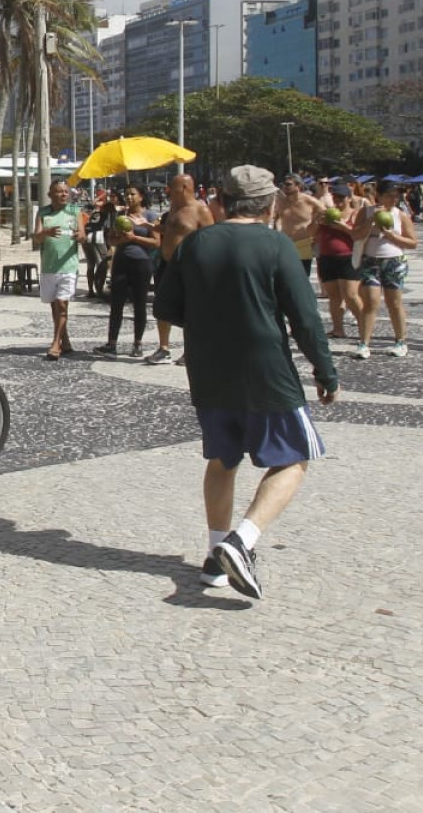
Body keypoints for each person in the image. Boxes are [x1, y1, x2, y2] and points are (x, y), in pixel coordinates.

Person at [153, 165, 338, 600]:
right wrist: (325, 370)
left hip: (208, 367)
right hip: (266, 369)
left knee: (223, 458)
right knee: (294, 459)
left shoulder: (195, 244)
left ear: (222, 198)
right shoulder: (276, 245)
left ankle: (216, 556)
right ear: (269, 202)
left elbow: (167, 305)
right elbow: (305, 318)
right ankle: (242, 541)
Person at [146, 173, 214, 365]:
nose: (168, 191)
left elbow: (210, 238)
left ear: (184, 188)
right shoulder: (173, 208)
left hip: (189, 265)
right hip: (166, 264)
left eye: (172, 187)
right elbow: (171, 230)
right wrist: (150, 227)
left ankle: (190, 349)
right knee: (161, 306)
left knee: (190, 308)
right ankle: (163, 347)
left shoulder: (200, 210)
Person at [351, 179, 418, 358]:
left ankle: (401, 341)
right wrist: (371, 221)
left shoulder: (400, 215)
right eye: (389, 196)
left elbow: (412, 243)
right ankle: (363, 343)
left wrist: (391, 235)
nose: (393, 200)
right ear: (378, 196)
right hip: (371, 261)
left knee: (394, 302)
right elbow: (355, 234)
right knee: (371, 301)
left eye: (395, 196)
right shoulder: (365, 212)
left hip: (394, 260)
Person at [95, 185, 158, 357]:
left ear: (141, 197)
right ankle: (112, 343)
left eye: (133, 194)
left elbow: (156, 242)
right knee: (116, 303)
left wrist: (134, 237)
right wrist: (116, 236)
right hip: (122, 261)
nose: (129, 197)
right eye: (127, 194)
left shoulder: (150, 216)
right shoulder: (121, 216)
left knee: (139, 304)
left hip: (141, 262)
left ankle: (137, 344)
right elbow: (112, 241)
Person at [31, 181, 86, 360]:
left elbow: (83, 236)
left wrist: (79, 236)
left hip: (69, 266)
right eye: (59, 192)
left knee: (62, 304)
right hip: (49, 266)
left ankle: (56, 343)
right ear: (50, 194)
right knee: (55, 306)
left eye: (65, 192)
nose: (63, 195)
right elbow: (36, 238)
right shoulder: (43, 212)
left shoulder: (75, 211)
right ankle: (66, 339)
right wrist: (46, 233)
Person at [313, 180, 365, 344]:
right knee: (333, 296)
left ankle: (364, 326)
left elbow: (359, 235)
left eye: (342, 198)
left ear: (349, 198)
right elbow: (311, 233)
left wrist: (342, 227)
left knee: (350, 295)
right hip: (327, 257)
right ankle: (338, 329)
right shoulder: (327, 213)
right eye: (335, 197)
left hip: (348, 257)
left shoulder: (356, 214)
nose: (338, 201)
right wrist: (316, 221)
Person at [271, 177, 319, 277]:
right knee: (285, 276)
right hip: (286, 243)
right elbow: (277, 218)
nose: (285, 187)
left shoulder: (308, 200)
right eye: (284, 184)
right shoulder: (281, 202)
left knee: (303, 277)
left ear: (298, 186)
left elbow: (325, 212)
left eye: (288, 184)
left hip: (304, 243)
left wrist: (315, 229)